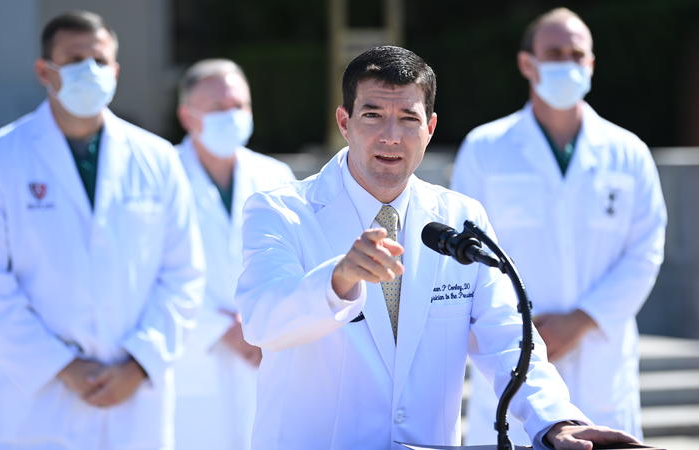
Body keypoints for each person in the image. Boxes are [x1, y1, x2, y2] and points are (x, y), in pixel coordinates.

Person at [235, 45, 640, 450]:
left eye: (408, 119)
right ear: (345, 122)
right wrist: (338, 280)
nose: (391, 136)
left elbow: (507, 337)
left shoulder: (460, 217)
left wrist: (555, 420)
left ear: (429, 128)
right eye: (372, 115)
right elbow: (261, 320)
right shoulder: (280, 211)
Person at [452, 7, 667, 445]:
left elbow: (646, 250)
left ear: (591, 64)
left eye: (577, 54)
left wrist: (583, 319)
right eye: (555, 52)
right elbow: (467, 250)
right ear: (527, 63)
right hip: (515, 349)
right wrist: (522, 327)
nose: (567, 63)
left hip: (600, 353)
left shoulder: (629, 152)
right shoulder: (486, 149)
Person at [0, 10, 205, 449]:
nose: (89, 72)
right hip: (38, 395)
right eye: (75, 61)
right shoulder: (6, 156)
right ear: (44, 71)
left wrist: (138, 364)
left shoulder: (157, 157)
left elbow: (183, 274)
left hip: (136, 394)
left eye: (99, 61)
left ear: (115, 70)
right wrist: (61, 367)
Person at [173, 59, 295, 450]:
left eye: (239, 106)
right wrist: (219, 327)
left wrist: (266, 321)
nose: (232, 116)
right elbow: (143, 269)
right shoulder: (162, 175)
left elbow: (299, 260)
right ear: (187, 117)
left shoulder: (276, 177)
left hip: (265, 354)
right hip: (191, 354)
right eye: (218, 108)